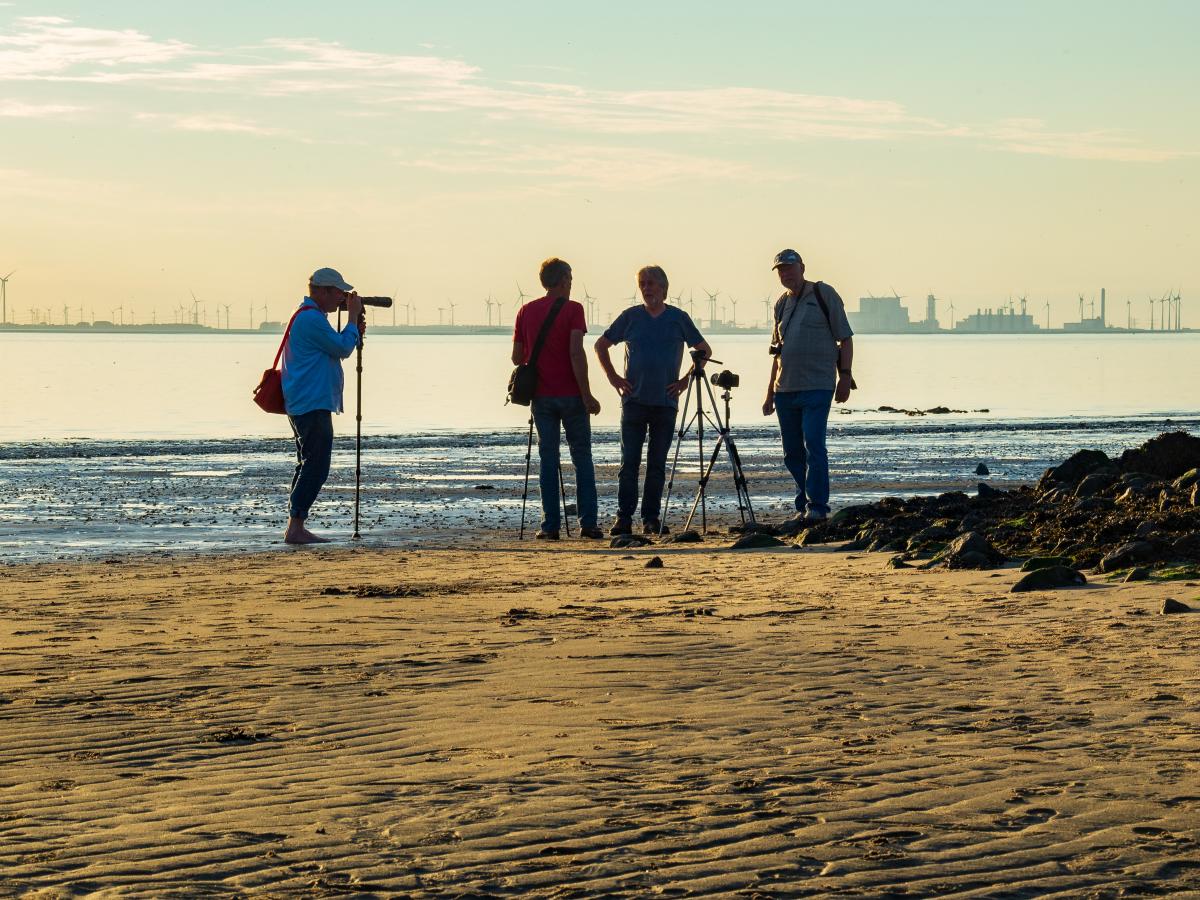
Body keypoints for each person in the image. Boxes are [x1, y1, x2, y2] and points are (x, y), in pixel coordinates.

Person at [595, 265, 710, 535]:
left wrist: (684, 382)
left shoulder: (678, 318)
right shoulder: (630, 317)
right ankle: (624, 518)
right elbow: (600, 345)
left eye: (651, 283)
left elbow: (704, 350)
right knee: (629, 463)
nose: (647, 288)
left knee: (657, 464)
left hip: (665, 403)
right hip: (633, 401)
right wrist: (613, 377)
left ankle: (651, 518)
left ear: (664, 288)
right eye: (642, 284)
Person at [511, 257, 604, 540]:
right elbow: (576, 352)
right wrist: (587, 394)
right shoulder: (574, 309)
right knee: (582, 458)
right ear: (563, 280)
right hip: (572, 396)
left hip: (541, 397)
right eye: (571, 279)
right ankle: (587, 524)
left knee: (548, 460)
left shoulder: (525, 311)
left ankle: (549, 526)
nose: (572, 284)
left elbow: (516, 356)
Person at [762, 249, 854, 527]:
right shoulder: (780, 304)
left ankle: (817, 506)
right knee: (792, 452)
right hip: (785, 389)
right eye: (780, 269)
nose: (785, 273)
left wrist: (845, 377)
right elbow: (776, 353)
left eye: (790, 267)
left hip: (818, 385)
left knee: (814, 444)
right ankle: (804, 500)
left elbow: (845, 339)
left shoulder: (824, 294)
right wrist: (769, 393)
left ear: (802, 267)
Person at [280, 267, 365, 544]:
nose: (342, 298)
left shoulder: (310, 318)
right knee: (316, 465)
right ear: (324, 291)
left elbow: (339, 346)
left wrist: (353, 329)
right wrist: (352, 319)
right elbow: (341, 349)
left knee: (307, 462)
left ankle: (296, 523)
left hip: (306, 400)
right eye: (339, 293)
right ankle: (296, 527)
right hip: (311, 402)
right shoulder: (311, 320)